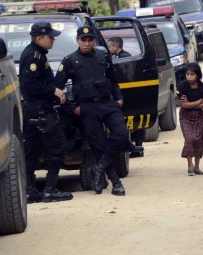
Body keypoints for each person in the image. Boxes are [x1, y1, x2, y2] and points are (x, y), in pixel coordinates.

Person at [55, 26, 143, 196]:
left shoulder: (103, 55)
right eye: (83, 40)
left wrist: (119, 98)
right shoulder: (69, 61)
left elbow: (113, 79)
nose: (87, 43)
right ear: (78, 41)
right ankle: (116, 182)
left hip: (107, 103)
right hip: (87, 108)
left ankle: (98, 168)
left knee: (122, 133)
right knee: (99, 146)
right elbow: (58, 90)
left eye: (90, 40)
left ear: (94, 41)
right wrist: (73, 109)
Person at [19, 21, 73, 203]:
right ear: (39, 38)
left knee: (31, 150)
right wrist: (53, 91)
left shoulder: (38, 54)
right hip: (40, 109)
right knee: (57, 146)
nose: (53, 40)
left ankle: (29, 190)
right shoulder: (34, 57)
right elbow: (30, 84)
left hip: (33, 108)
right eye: (50, 37)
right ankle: (50, 189)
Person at [107, 37, 144, 158]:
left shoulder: (122, 59)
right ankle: (137, 147)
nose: (109, 49)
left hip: (128, 94)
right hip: (131, 94)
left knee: (130, 121)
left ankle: (137, 148)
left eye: (110, 46)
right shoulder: (126, 56)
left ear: (116, 47)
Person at [178, 63, 203, 176]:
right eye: (187, 74)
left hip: (198, 117)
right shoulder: (183, 86)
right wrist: (197, 102)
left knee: (198, 140)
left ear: (198, 75)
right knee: (189, 139)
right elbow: (184, 106)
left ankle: (197, 166)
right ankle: (189, 165)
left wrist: (191, 103)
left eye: (192, 74)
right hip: (185, 117)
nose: (189, 76)